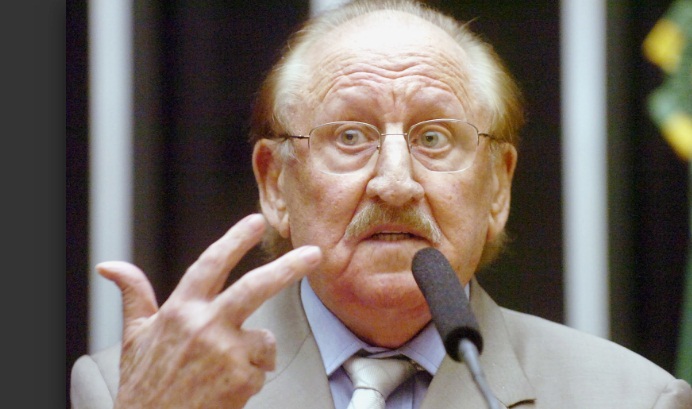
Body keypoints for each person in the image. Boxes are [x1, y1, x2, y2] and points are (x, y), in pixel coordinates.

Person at [70, 0, 692, 408]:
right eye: (349, 136)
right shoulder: (135, 393)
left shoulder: (631, 398)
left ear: (498, 187)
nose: (395, 183)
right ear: (275, 184)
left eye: (434, 138)